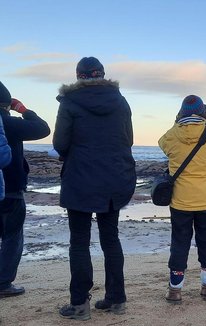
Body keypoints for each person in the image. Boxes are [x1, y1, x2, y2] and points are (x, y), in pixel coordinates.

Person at [53, 57, 136, 320]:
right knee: (110, 239)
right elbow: (129, 140)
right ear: (103, 75)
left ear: (78, 76)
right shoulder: (120, 101)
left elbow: (60, 143)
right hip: (114, 180)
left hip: (80, 180)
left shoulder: (69, 102)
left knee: (79, 243)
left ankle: (79, 305)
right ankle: (116, 299)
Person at [158, 95, 206, 303]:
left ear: (181, 113)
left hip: (181, 201)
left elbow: (162, 142)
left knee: (179, 244)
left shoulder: (172, 136)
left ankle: (175, 289)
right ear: (203, 113)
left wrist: (177, 121)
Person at [0, 81, 50, 298]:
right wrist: (23, 110)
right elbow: (43, 128)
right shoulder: (8, 123)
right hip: (10, 189)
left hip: (9, 188)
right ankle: (3, 283)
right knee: (12, 236)